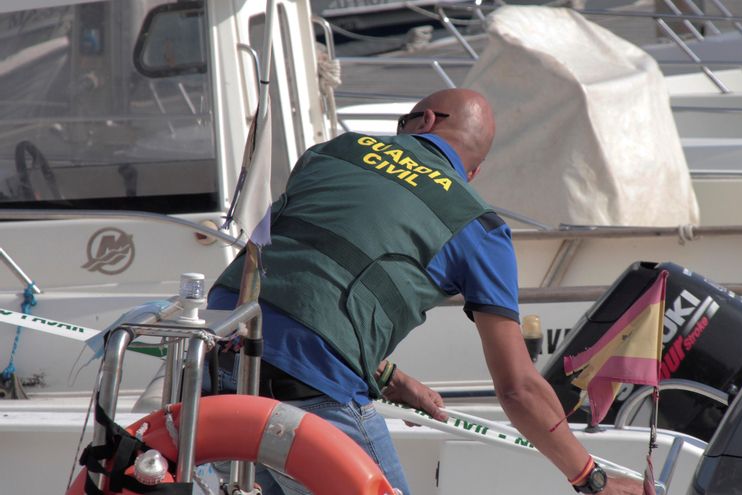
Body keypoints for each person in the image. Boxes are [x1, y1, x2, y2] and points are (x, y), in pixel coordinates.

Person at [207, 88, 643, 495]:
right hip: (311, 393)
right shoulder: (478, 225)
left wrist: (387, 377)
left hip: (216, 360)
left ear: (425, 121)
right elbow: (518, 389)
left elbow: (297, 285)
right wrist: (592, 478)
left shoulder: (334, 151)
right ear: (472, 173)